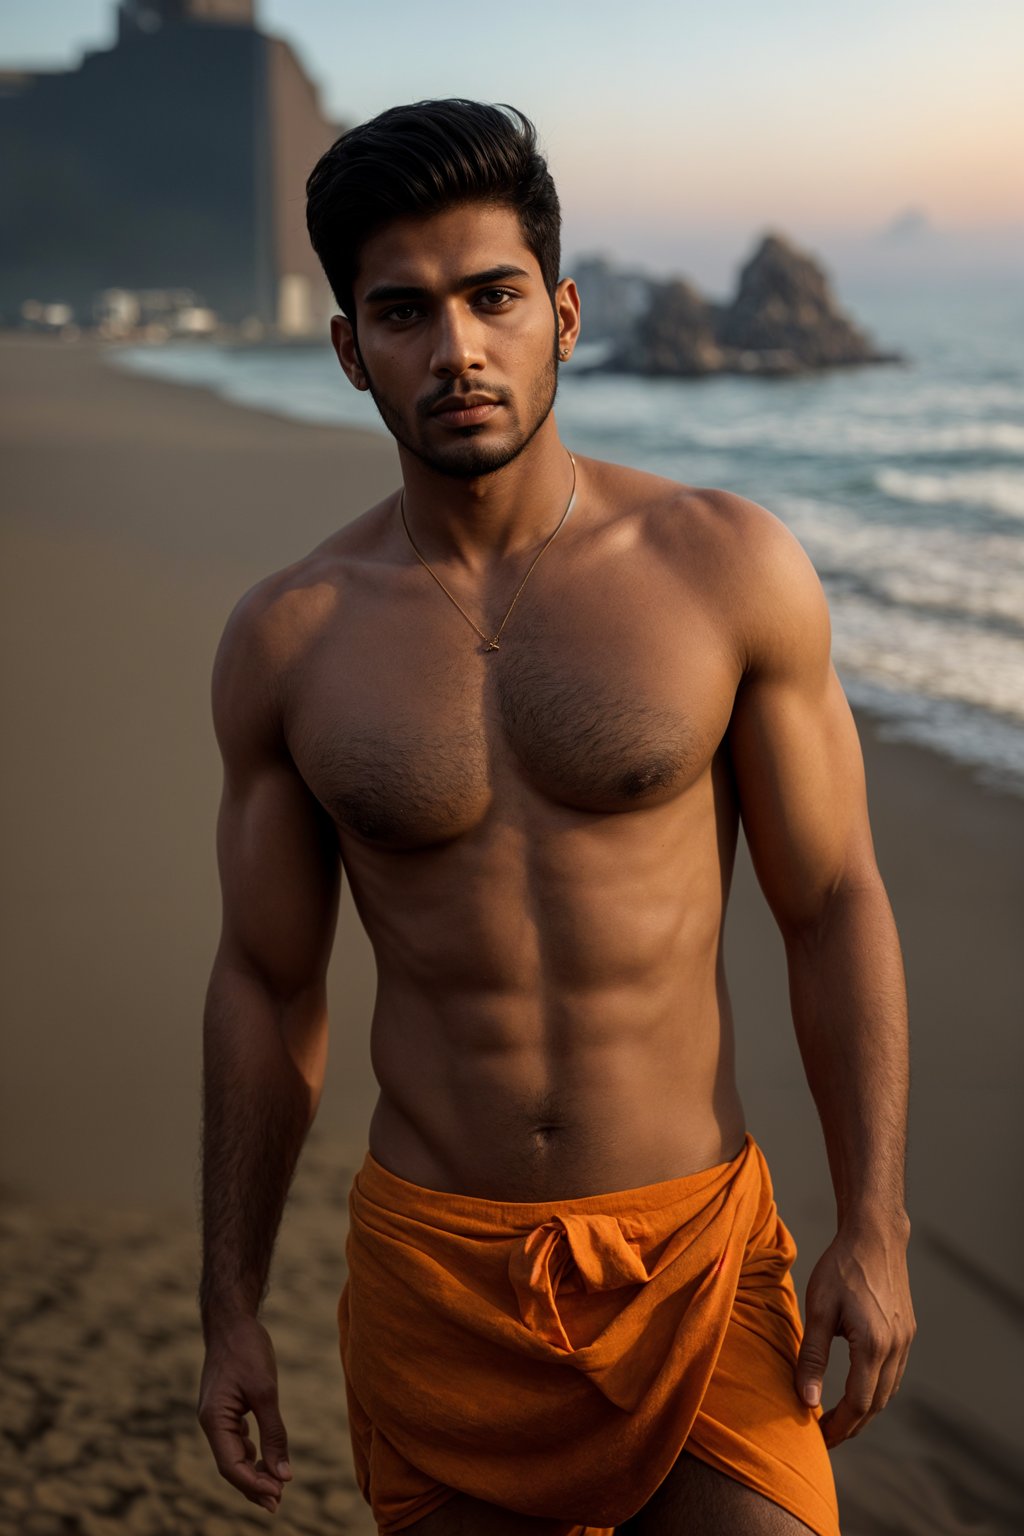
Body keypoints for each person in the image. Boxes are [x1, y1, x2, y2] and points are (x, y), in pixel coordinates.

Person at [196, 99, 915, 1535]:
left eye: (493, 298)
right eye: (403, 313)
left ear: (565, 316)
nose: (456, 347)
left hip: (696, 1261)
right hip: (437, 1272)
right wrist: (229, 1306)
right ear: (350, 351)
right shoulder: (292, 638)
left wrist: (874, 1224)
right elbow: (269, 984)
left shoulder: (725, 569)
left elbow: (831, 900)